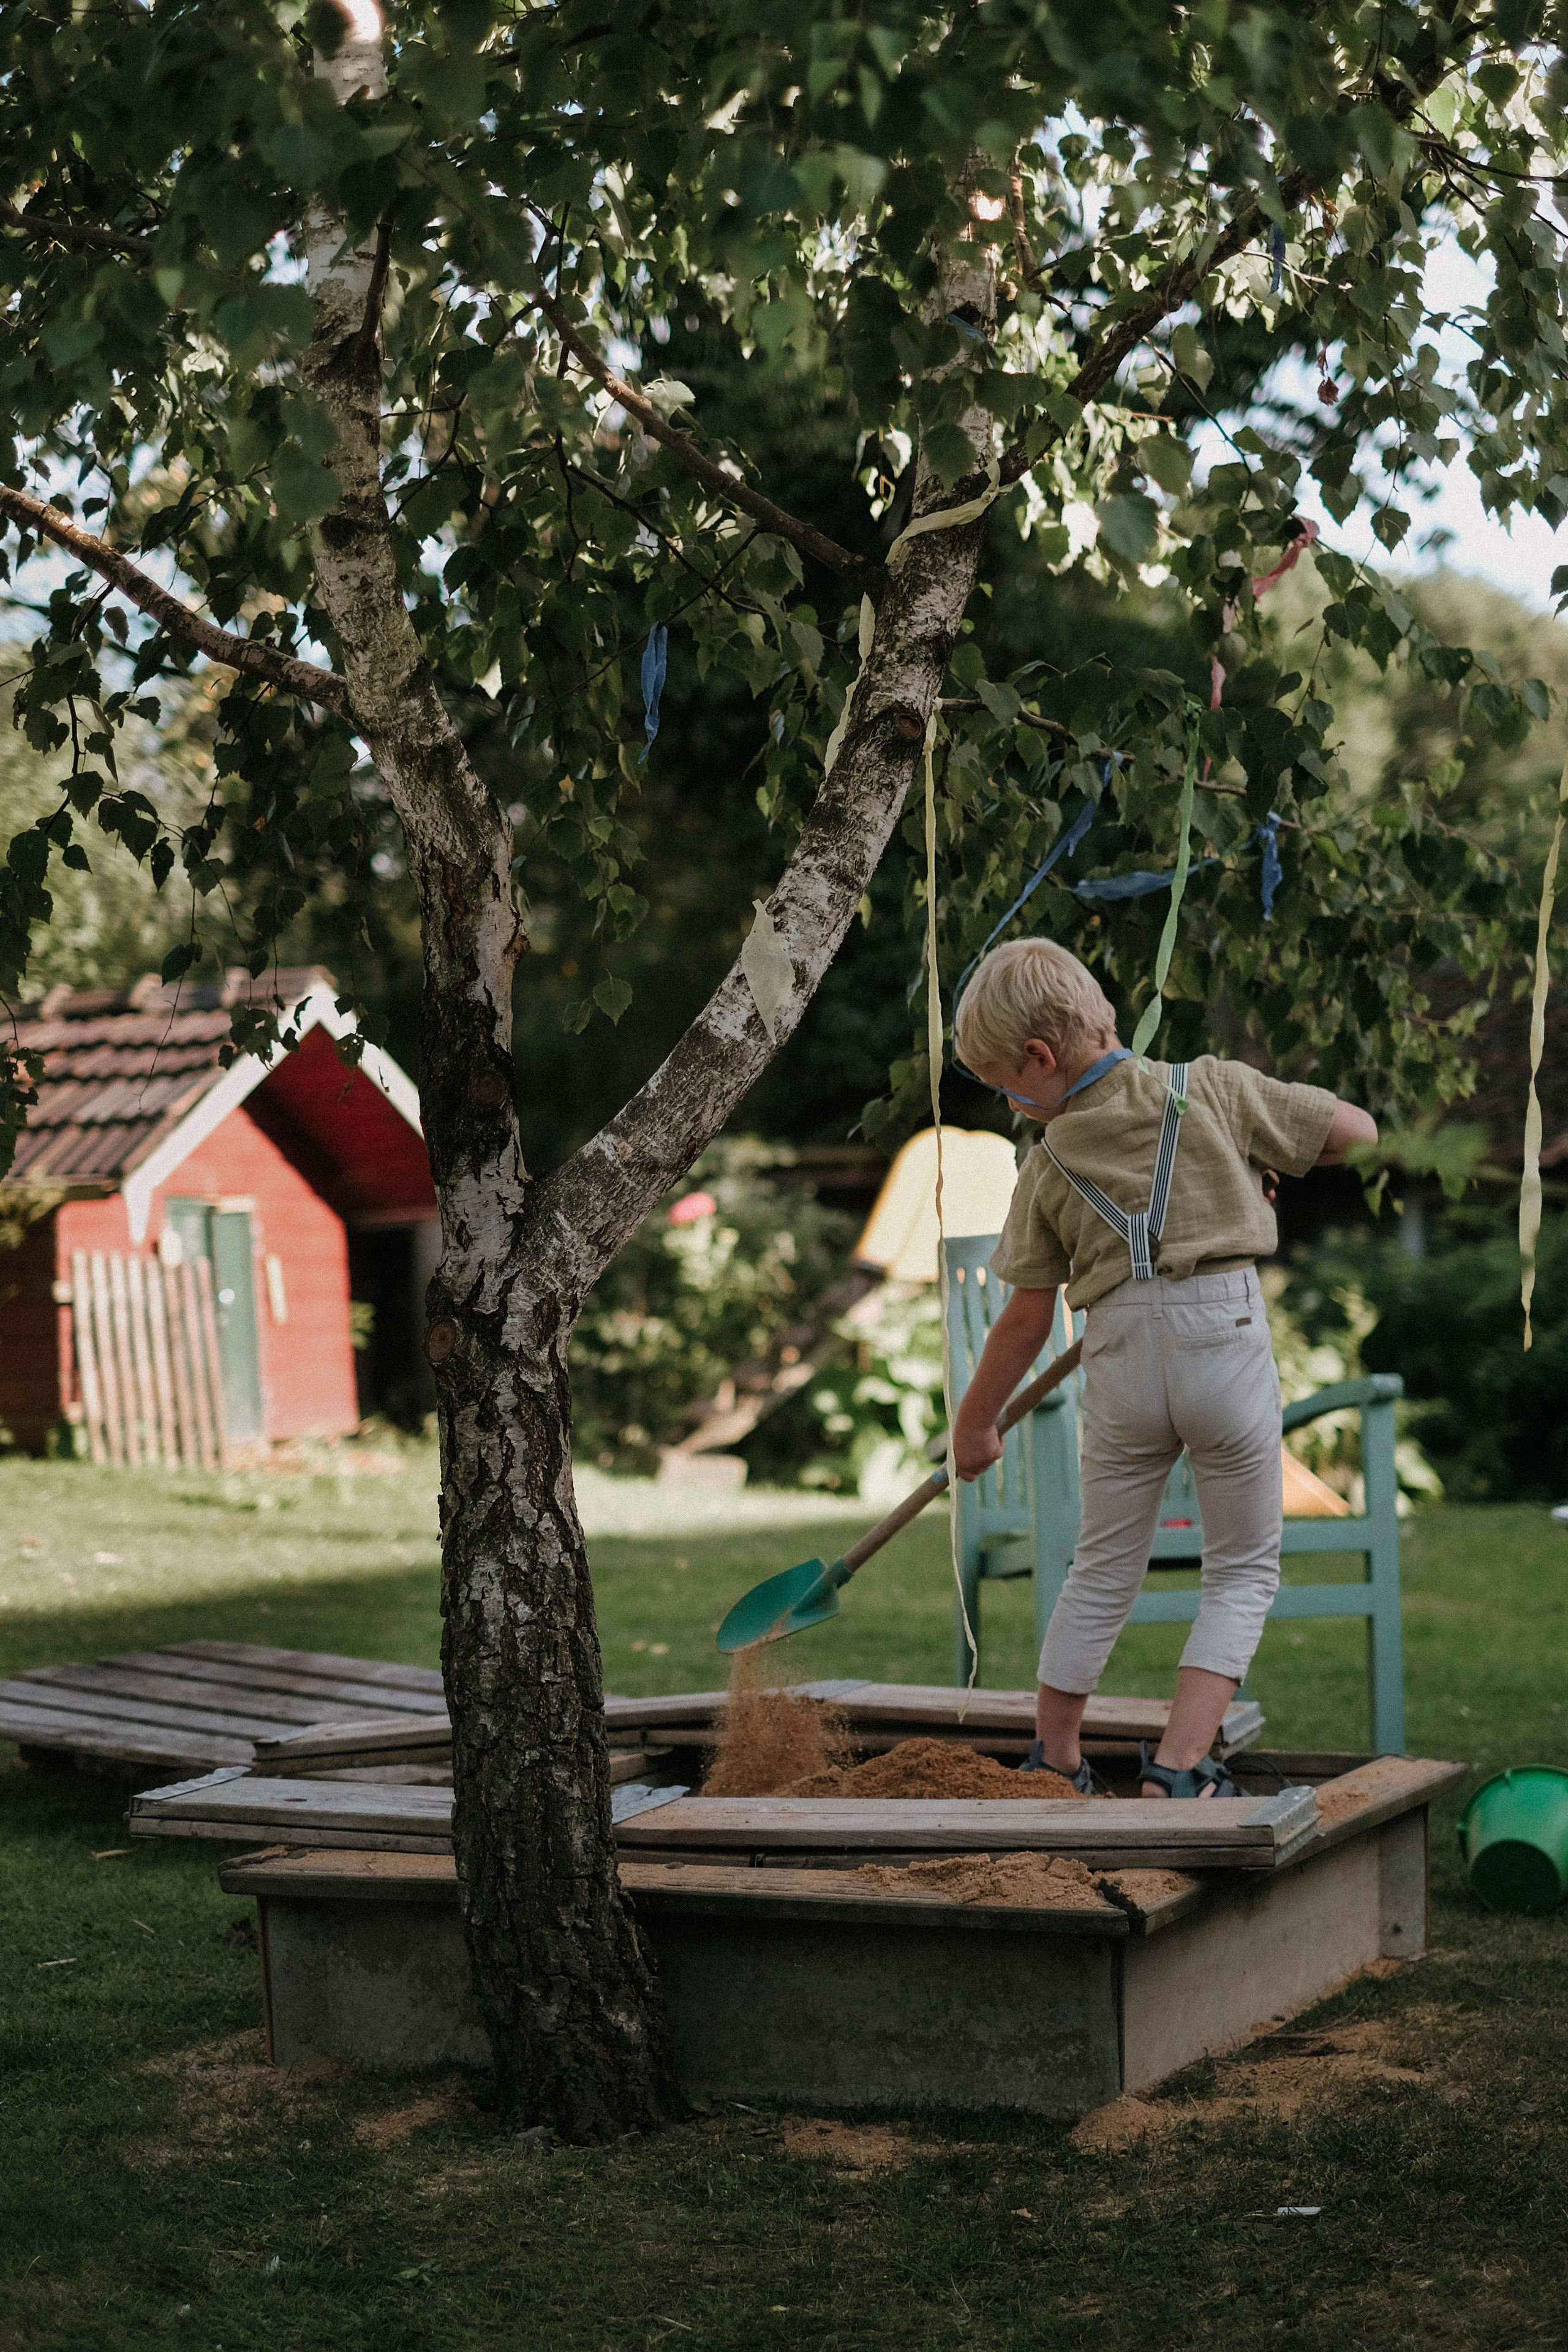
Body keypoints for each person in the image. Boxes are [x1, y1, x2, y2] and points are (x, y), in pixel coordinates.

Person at [949, 937, 1378, 1799]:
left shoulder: (1049, 1161)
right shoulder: (1212, 1089)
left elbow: (1029, 1317)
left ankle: (1057, 1760)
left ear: (1041, 1058)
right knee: (1244, 1565)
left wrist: (977, 1420)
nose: (1010, 1101)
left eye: (1007, 1084)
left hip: (1120, 1355)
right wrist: (1265, 1161)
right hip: (1222, 1336)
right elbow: (1358, 1134)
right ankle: (1179, 1767)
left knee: (1102, 1565)